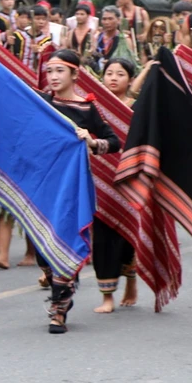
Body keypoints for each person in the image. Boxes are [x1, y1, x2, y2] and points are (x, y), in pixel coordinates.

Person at [37, 49, 121, 332]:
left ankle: (58, 310)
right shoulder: (41, 103)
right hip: (41, 183)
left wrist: (92, 142)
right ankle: (59, 286)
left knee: (65, 239)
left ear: (75, 74)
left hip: (72, 186)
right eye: (49, 71)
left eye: (59, 71)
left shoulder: (87, 109)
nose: (53, 77)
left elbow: (114, 141)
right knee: (42, 248)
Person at [94, 58, 138, 313]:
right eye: (109, 73)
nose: (113, 78)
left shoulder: (138, 108)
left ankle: (131, 279)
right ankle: (107, 296)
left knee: (127, 234)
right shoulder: (95, 109)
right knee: (102, 238)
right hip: (100, 178)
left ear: (130, 79)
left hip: (128, 178)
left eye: (120, 74)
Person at [93, 6, 137, 72]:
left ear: (118, 20)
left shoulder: (124, 40)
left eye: (110, 19)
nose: (107, 22)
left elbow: (130, 63)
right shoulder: (97, 37)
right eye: (104, 19)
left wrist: (112, 63)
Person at [8, 6, 53, 71]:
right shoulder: (17, 36)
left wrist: (37, 53)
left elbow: (46, 61)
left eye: (43, 19)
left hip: (34, 75)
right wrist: (9, 44)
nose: (41, 22)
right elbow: (10, 55)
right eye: (37, 19)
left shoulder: (47, 40)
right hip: (17, 72)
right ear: (29, 20)